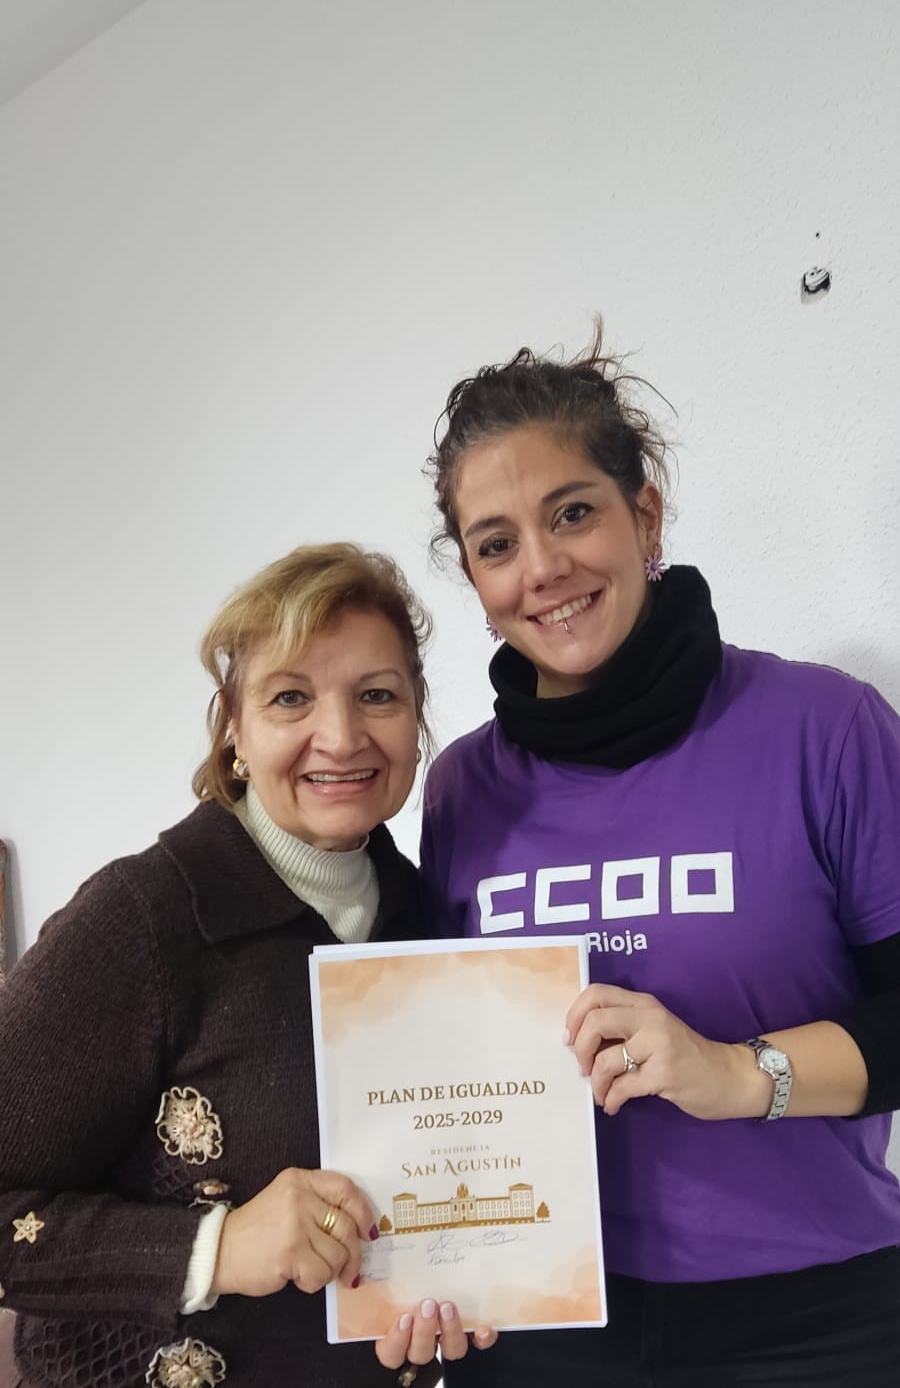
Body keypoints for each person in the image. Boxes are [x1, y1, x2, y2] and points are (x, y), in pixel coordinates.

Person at [418, 329, 900, 1387]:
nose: (542, 568)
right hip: (542, 1322)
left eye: (572, 512)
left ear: (645, 515)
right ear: (476, 580)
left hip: (818, 1314)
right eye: (496, 543)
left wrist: (736, 1071)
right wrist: (415, 1268)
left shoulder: (827, 728)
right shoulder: (459, 789)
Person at [0, 543, 493, 1388]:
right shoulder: (142, 918)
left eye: (377, 694)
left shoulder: (430, 920)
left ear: (416, 718)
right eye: (290, 696)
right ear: (233, 725)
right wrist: (216, 1247)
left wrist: (455, 1289)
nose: (340, 736)